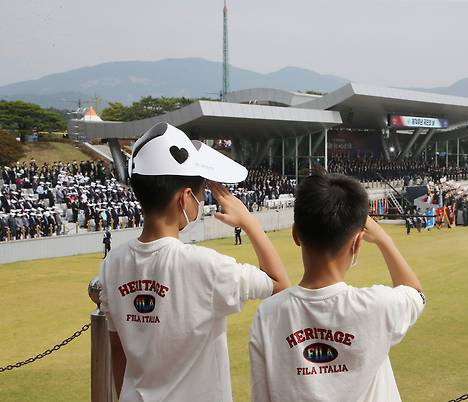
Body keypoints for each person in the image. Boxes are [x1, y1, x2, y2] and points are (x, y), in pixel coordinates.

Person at [98, 123, 290, 402]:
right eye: (201, 195)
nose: (201, 202)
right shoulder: (204, 265)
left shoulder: (111, 264)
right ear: (185, 197)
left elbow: (117, 348)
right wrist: (249, 221)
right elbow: (279, 284)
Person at [249, 168, 425, 402]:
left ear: (295, 235)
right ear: (358, 242)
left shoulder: (268, 314)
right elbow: (416, 293)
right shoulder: (378, 305)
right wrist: (384, 239)